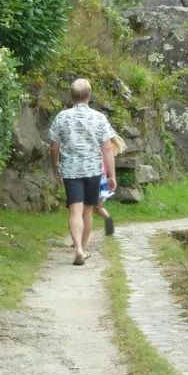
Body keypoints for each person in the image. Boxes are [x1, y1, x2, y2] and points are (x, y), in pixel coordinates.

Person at [47, 78, 116, 266]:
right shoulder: (99, 118)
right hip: (93, 170)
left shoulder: (61, 117)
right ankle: (83, 250)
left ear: (71, 96)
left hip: (70, 170)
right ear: (89, 95)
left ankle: (76, 247)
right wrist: (111, 175)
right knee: (87, 211)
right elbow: (108, 149)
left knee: (74, 211)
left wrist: (56, 168)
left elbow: (54, 147)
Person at [96, 134, 127, 237]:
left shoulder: (98, 150)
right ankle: (108, 219)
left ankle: (78, 239)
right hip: (102, 180)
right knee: (98, 207)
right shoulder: (106, 151)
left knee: (82, 208)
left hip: (96, 179)